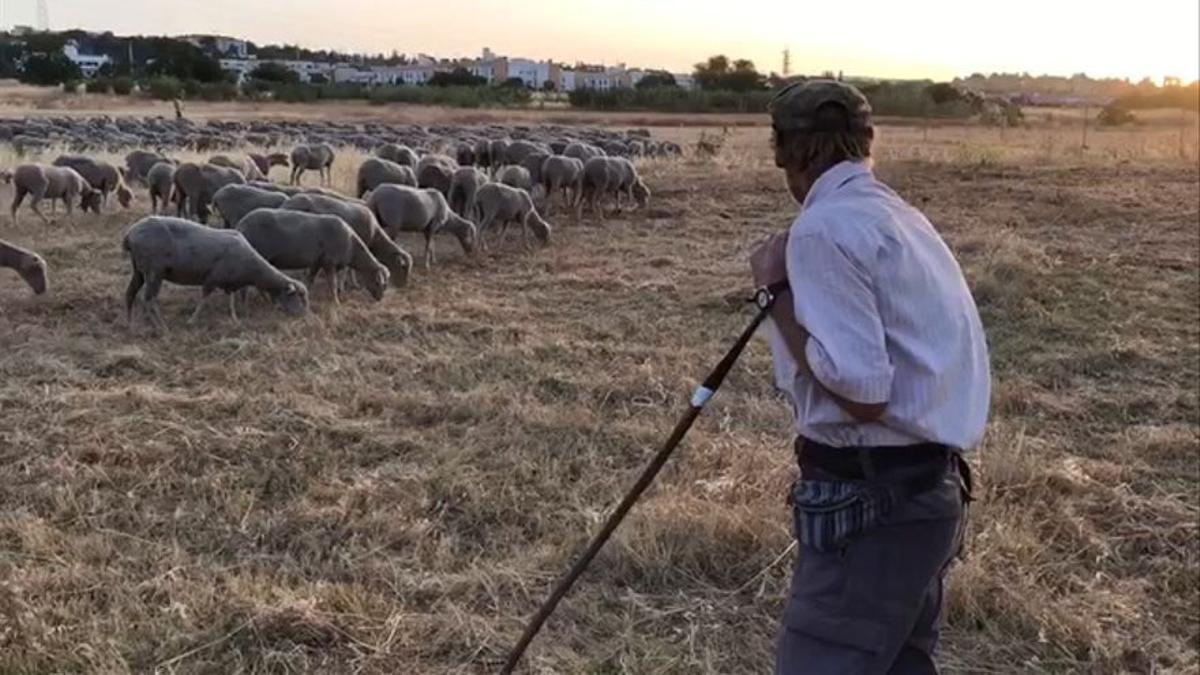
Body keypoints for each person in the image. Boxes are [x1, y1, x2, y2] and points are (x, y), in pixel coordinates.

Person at [749, 80, 991, 674]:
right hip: (927, 497)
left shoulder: (824, 229)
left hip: (868, 508)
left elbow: (860, 391)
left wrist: (772, 288)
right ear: (867, 141)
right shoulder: (900, 218)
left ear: (785, 150)